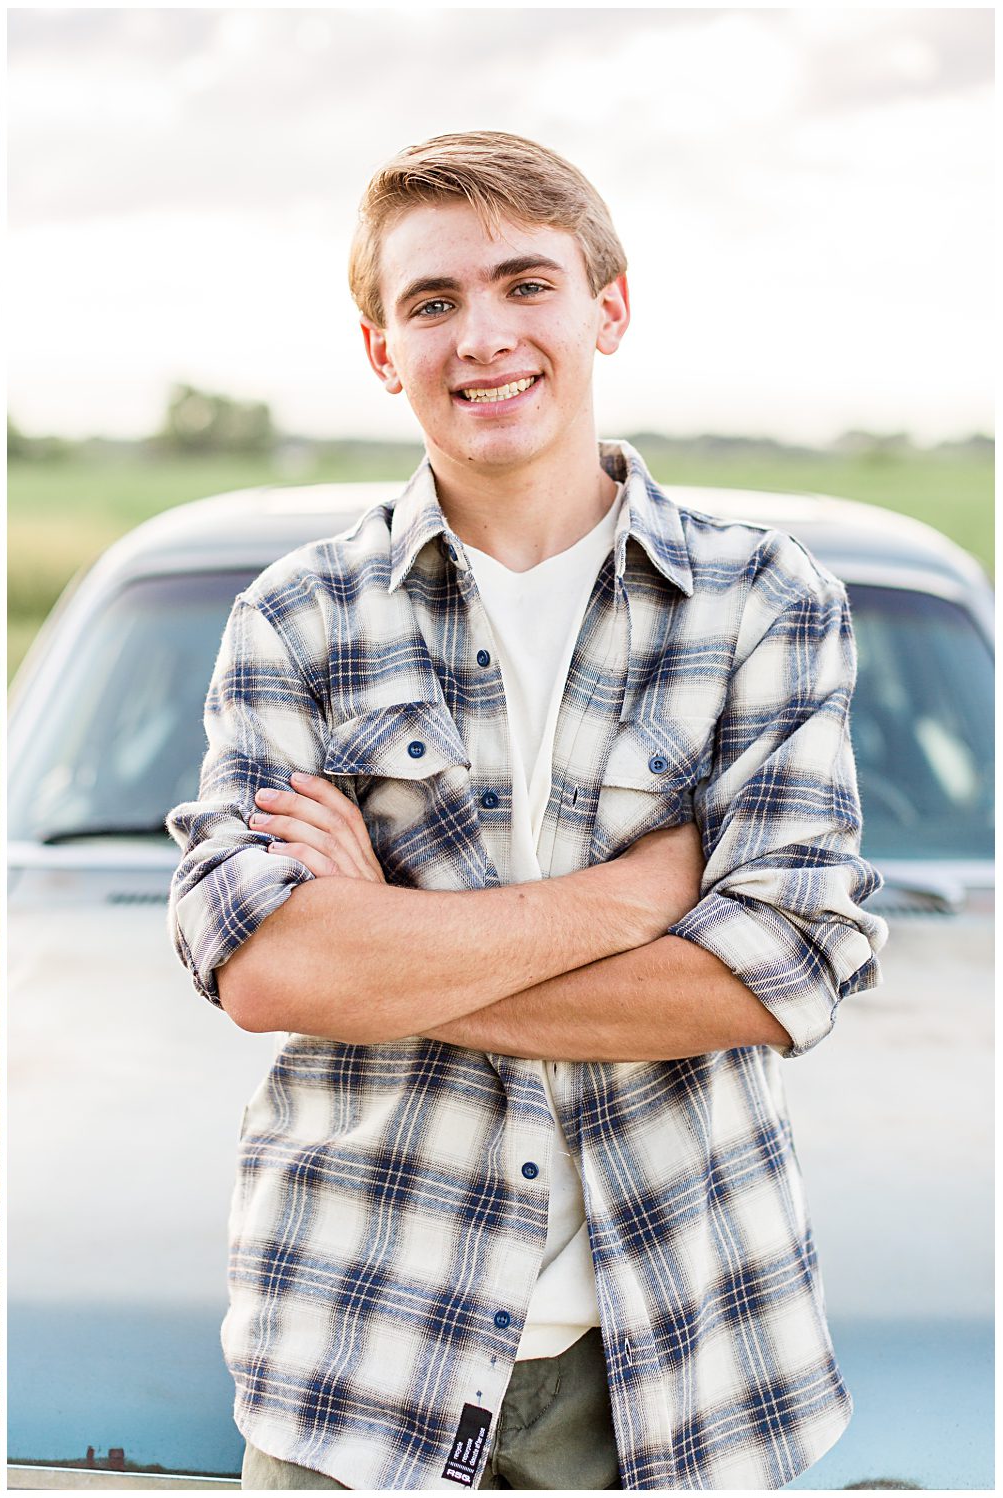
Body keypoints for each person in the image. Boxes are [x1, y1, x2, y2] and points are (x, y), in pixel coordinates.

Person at [166, 133, 888, 1490]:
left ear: (608, 306)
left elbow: (779, 968)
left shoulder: (766, 603)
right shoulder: (297, 617)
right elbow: (267, 968)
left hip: (687, 1364)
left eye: (525, 284)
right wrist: (631, 901)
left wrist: (382, 940)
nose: (482, 336)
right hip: (356, 1360)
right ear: (382, 348)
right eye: (432, 303)